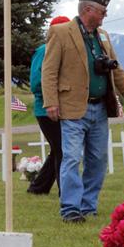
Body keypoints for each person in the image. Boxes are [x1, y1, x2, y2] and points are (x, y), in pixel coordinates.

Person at [42, 0, 124, 223]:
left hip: (100, 108)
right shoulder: (60, 32)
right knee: (72, 158)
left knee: (98, 160)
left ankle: (88, 206)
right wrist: (51, 102)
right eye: (102, 11)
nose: (105, 15)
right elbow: (49, 70)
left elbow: (116, 69)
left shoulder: (103, 36)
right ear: (88, 9)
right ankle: (70, 209)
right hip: (73, 108)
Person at [27, 16, 71, 195]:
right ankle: (66, 192)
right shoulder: (43, 50)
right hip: (46, 109)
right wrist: (54, 97)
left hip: (65, 109)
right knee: (62, 149)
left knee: (58, 149)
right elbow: (36, 82)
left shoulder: (68, 51)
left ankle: (38, 188)